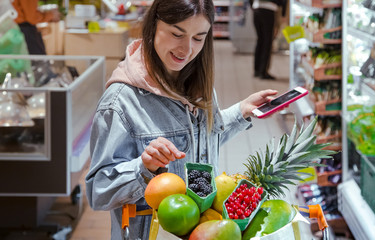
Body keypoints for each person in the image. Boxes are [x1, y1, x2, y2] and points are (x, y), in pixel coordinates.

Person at [85, 0, 280, 239]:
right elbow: (98, 192)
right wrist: (143, 167)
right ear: (154, 25)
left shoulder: (198, 86)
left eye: (198, 38)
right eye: (177, 34)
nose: (187, 49)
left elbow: (199, 139)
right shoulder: (120, 102)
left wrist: (241, 111)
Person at [250, 0, 287, 80]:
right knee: (267, 42)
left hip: (256, 8)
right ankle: (263, 72)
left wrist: (252, 6)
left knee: (260, 40)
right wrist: (283, 13)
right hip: (269, 9)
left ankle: (257, 70)